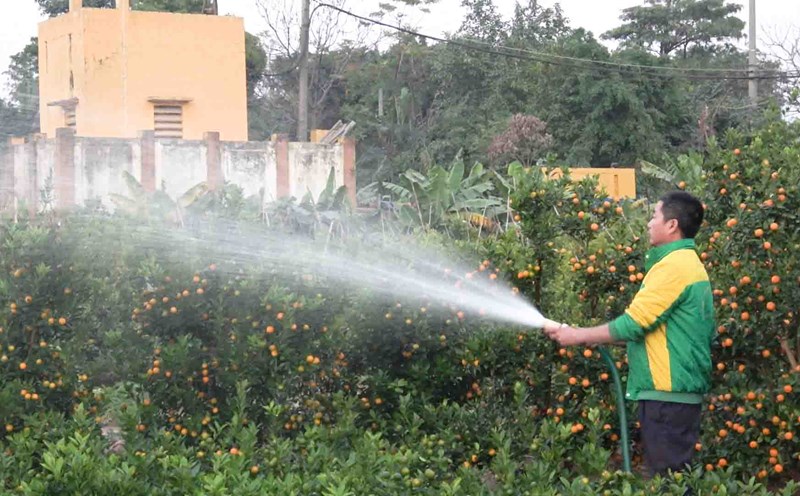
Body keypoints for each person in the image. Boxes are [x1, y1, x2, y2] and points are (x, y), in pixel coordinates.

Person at [544, 191, 715, 477]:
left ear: (672, 225)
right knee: (672, 480)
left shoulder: (674, 267)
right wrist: (580, 333)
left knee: (668, 483)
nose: (649, 223)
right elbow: (653, 329)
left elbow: (634, 324)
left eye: (654, 216)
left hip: (668, 397)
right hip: (673, 396)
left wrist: (577, 335)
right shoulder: (687, 264)